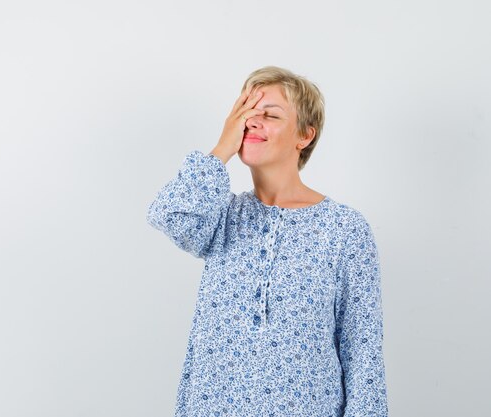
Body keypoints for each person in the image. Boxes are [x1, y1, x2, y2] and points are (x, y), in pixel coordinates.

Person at [146, 66, 388, 416]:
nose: (252, 122)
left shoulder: (345, 230)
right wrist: (221, 150)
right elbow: (167, 216)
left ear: (304, 136)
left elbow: (363, 353)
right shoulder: (220, 216)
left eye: (270, 115)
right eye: (246, 113)